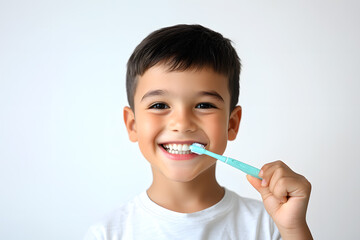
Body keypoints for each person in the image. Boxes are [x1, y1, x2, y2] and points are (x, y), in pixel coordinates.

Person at [84, 24, 312, 240]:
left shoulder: (269, 225)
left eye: (204, 105)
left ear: (231, 124)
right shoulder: (107, 234)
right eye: (159, 105)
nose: (182, 124)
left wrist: (293, 229)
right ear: (132, 125)